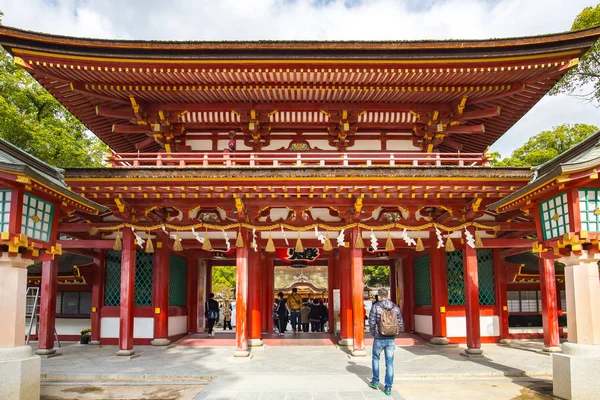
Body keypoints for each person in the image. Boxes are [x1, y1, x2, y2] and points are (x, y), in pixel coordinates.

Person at [368, 288, 403, 396]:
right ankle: (388, 387)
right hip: (391, 338)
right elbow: (400, 322)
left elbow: (372, 322)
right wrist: (396, 333)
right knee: (390, 363)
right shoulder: (395, 307)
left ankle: (375, 381)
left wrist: (374, 333)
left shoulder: (375, 307)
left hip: (379, 337)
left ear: (379, 296)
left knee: (375, 359)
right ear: (388, 295)